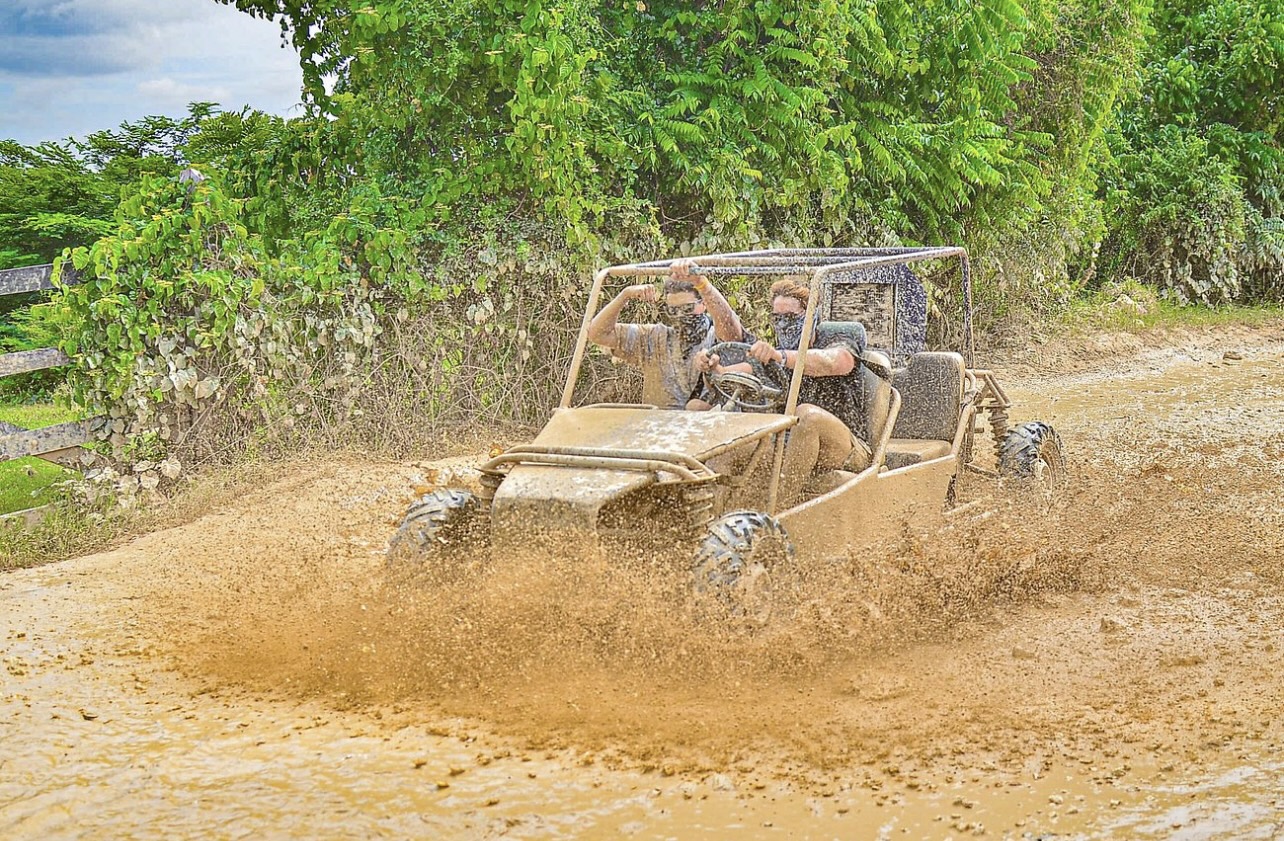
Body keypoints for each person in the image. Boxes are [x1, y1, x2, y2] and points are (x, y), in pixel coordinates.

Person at [706, 277, 871, 504]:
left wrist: (782, 357)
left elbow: (836, 362)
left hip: (847, 446)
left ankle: (780, 511)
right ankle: (708, 517)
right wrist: (712, 368)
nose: (783, 325)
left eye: (791, 318)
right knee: (729, 444)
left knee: (807, 417)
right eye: (777, 318)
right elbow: (730, 375)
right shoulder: (774, 354)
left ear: (811, 316)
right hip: (790, 446)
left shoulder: (839, 337)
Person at [587, 259, 748, 409]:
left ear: (703, 304)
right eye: (673, 310)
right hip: (660, 431)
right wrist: (624, 295)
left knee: (696, 407)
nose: (679, 316)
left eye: (686, 309)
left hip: (713, 432)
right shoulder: (654, 337)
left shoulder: (716, 336)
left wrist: (702, 284)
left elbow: (730, 330)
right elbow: (597, 334)